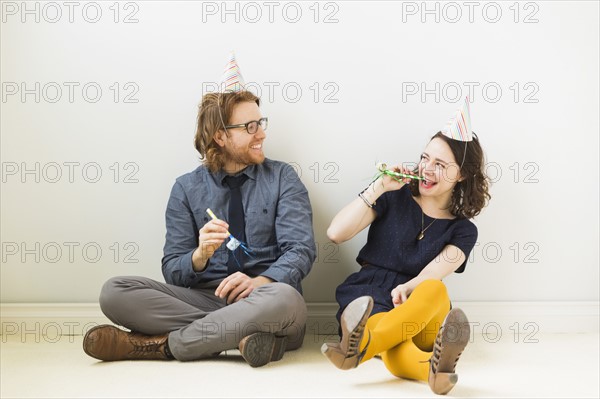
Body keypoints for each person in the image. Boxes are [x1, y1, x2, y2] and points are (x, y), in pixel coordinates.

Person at [83, 53, 316, 367]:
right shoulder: (186, 188)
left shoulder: (282, 177)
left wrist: (260, 283)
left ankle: (161, 346)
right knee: (115, 292)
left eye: (261, 123)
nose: (261, 133)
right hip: (207, 296)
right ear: (220, 136)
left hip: (267, 296)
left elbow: (300, 250)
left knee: (286, 300)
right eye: (250, 126)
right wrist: (200, 255)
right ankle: (239, 334)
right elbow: (173, 271)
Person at [322, 98, 490, 395]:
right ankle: (433, 372)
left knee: (434, 289)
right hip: (371, 295)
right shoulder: (393, 197)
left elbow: (435, 272)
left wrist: (410, 288)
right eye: (425, 158)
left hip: (420, 306)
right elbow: (335, 233)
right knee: (395, 346)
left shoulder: (464, 230)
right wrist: (379, 187)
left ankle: (357, 347)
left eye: (440, 165)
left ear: (461, 174)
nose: (427, 169)